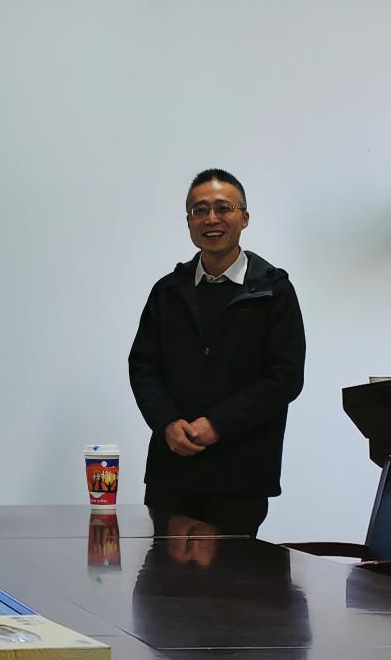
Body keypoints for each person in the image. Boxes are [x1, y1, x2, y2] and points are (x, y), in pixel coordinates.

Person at [128, 168, 305, 536]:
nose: (211, 219)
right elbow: (143, 366)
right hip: (170, 472)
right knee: (161, 572)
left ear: (244, 218)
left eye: (223, 208)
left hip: (241, 477)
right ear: (189, 222)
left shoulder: (273, 291)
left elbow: (285, 378)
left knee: (234, 573)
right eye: (200, 210)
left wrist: (219, 424)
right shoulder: (168, 291)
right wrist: (166, 423)